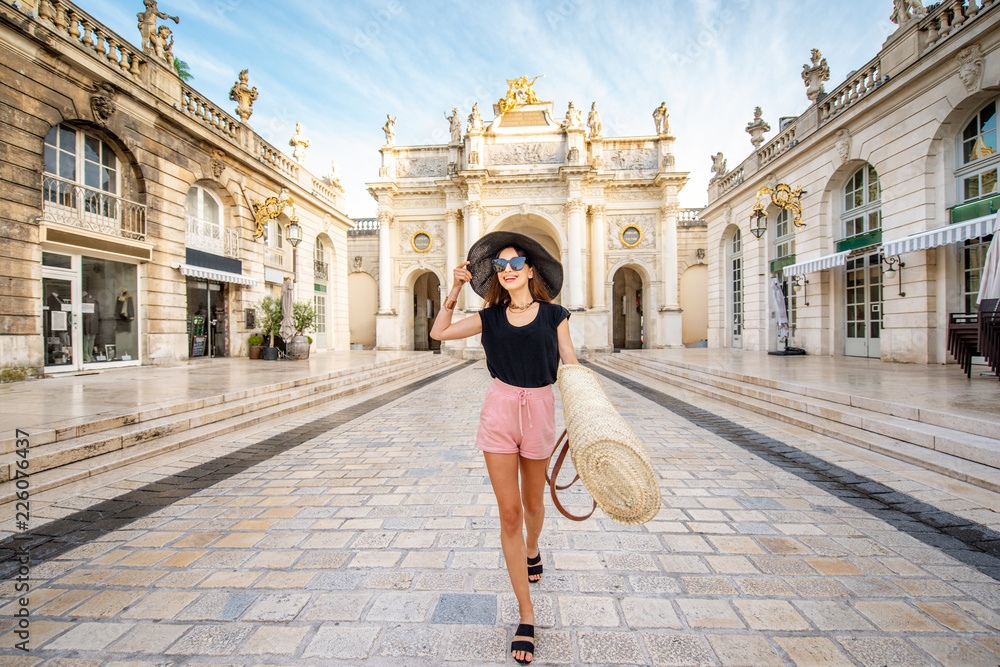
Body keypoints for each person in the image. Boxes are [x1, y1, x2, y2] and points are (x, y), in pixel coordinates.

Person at [431, 231, 578, 665]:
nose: (508, 270)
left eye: (516, 264)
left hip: (540, 411)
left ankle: (534, 548)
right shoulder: (489, 317)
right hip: (498, 411)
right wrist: (456, 287)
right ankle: (526, 614)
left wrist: (589, 416)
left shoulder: (555, 315)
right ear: (495, 274)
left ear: (531, 270)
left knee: (534, 506)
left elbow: (570, 365)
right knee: (509, 512)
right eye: (500, 266)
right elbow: (440, 331)